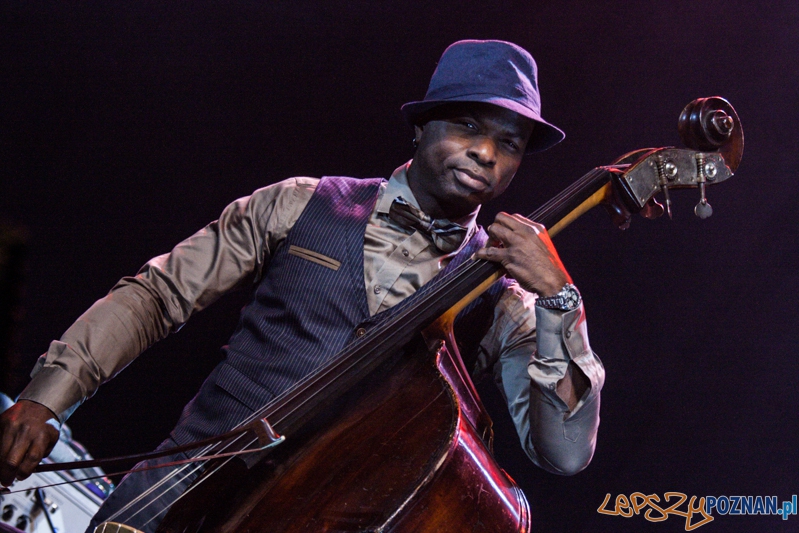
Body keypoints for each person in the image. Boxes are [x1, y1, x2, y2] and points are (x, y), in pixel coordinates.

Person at [0, 39, 605, 532]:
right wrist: (49, 396)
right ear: (420, 127)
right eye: (468, 125)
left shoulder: (505, 293)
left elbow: (565, 453)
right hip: (175, 492)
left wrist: (560, 297)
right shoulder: (299, 204)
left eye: (510, 143)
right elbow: (156, 297)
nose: (485, 153)